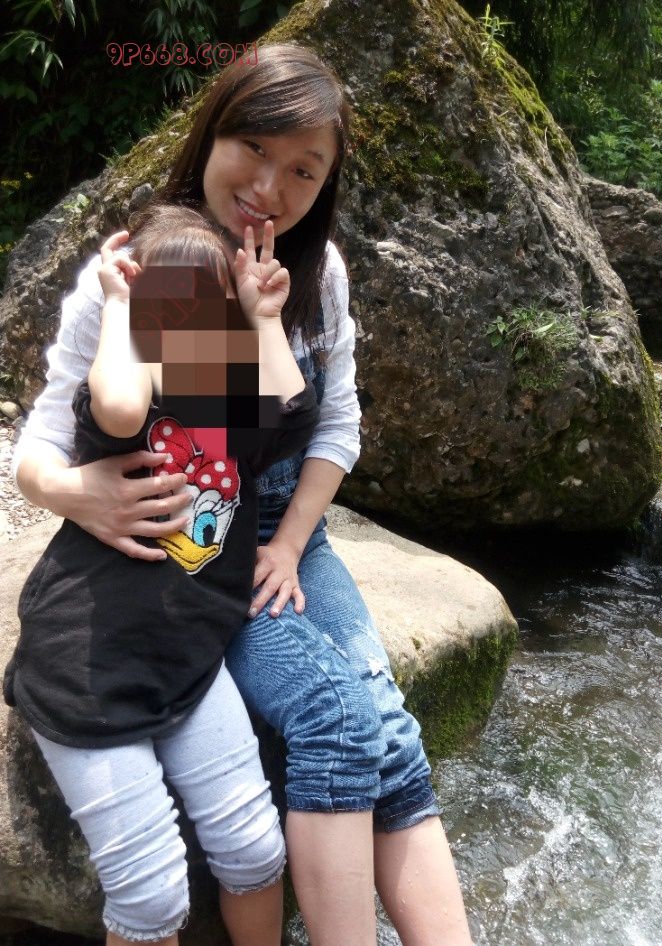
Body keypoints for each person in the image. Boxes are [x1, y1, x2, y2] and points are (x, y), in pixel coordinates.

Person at [12, 43, 474, 945]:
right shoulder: (148, 265)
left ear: (326, 185)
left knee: (388, 726)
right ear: (212, 135)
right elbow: (42, 440)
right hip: (196, 548)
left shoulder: (318, 275)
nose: (270, 186)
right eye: (255, 147)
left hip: (286, 533)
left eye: (303, 169)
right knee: (336, 719)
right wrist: (77, 491)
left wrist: (292, 541)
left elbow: (333, 426)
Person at [4, 205, 322, 946]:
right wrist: (117, 303)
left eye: (206, 304)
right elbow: (118, 406)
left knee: (256, 850)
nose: (186, 323)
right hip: (87, 667)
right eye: (165, 304)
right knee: (151, 898)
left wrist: (262, 316)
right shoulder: (123, 403)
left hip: (189, 662)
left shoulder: (231, 408)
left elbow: (292, 409)